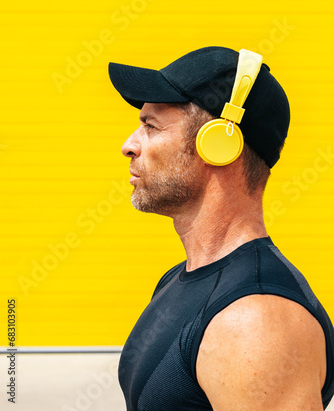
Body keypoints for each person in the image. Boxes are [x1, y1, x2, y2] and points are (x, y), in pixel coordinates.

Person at [108, 46, 334, 411]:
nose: (128, 146)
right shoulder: (181, 280)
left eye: (151, 125)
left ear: (218, 144)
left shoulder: (255, 321)